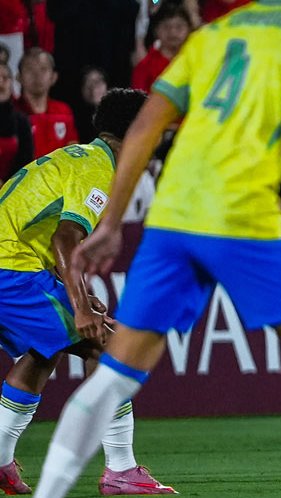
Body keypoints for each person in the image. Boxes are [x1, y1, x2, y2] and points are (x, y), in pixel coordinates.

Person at [33, 2, 281, 497]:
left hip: (170, 218)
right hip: (241, 218)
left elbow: (144, 125)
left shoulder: (211, 34)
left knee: (116, 374)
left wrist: (114, 221)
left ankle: (48, 493)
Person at [0, 88, 175, 495]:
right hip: (11, 269)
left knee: (44, 352)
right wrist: (80, 307)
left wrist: (73, 291)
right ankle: (120, 469)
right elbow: (67, 238)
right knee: (111, 347)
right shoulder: (101, 168)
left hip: (15, 265)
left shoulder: (80, 156)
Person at [15, 48, 78, 157]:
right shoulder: (12, 112)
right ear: (19, 77)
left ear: (54, 77)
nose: (37, 75)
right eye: (30, 69)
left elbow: (73, 150)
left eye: (43, 69)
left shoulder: (63, 110)